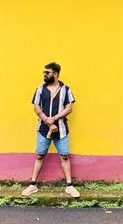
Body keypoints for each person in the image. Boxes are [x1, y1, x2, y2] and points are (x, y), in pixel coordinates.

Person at [22, 62, 80, 198]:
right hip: (43, 128)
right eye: (44, 72)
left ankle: (69, 186)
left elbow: (69, 108)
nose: (44, 75)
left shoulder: (66, 89)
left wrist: (54, 118)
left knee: (64, 156)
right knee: (40, 155)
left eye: (47, 73)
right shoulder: (40, 89)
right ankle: (33, 185)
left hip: (62, 129)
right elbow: (36, 108)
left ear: (55, 74)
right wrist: (47, 121)